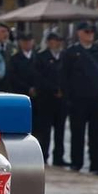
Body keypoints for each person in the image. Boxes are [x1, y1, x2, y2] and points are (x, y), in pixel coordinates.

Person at [61, 22, 98, 175]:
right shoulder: (71, 52)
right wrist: (68, 97)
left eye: (92, 32)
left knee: (97, 134)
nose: (90, 34)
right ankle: (77, 162)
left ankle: (97, 164)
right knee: (78, 133)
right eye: (86, 32)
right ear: (79, 33)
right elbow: (65, 76)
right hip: (78, 99)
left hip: (96, 98)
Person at [30, 28, 67, 163]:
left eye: (59, 41)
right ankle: (43, 155)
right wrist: (53, 89)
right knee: (45, 130)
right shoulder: (41, 57)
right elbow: (39, 78)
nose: (57, 44)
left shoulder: (64, 57)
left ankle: (59, 156)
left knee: (60, 130)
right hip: (46, 99)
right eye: (54, 41)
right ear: (49, 42)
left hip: (62, 100)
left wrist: (63, 89)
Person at [0, 30, 39, 97]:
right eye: (24, 42)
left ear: (33, 42)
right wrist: (27, 88)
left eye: (29, 41)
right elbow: (13, 77)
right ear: (20, 43)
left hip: (38, 93)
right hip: (20, 92)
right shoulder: (14, 59)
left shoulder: (38, 57)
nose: (27, 43)